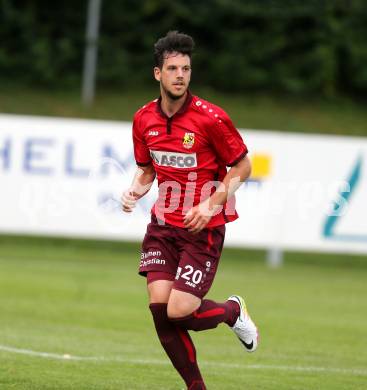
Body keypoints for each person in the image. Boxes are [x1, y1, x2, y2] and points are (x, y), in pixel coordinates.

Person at [121, 31, 259, 390]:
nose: (180, 74)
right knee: (159, 309)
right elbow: (149, 170)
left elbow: (243, 167)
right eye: (172, 68)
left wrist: (210, 202)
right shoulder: (143, 119)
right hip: (163, 226)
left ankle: (232, 311)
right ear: (158, 74)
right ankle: (196, 387)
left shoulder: (210, 118)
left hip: (204, 226)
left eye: (186, 68)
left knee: (179, 311)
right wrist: (133, 192)